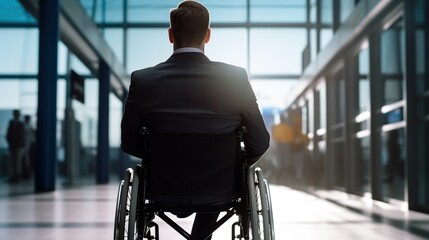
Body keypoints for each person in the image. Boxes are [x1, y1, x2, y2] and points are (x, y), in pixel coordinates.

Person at [120, 1, 270, 239]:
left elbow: (129, 142)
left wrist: (158, 156)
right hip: (222, 188)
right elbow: (260, 141)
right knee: (221, 175)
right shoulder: (235, 79)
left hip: (162, 187)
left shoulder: (143, 80)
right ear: (208, 35)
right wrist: (234, 164)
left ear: (171, 35)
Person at [6, 109, 25, 183]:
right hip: (12, 145)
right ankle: (12, 176)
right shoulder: (11, 123)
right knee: (11, 162)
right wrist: (9, 141)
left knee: (17, 162)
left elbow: (21, 136)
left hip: (18, 146)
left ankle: (17, 176)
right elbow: (8, 134)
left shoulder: (20, 124)